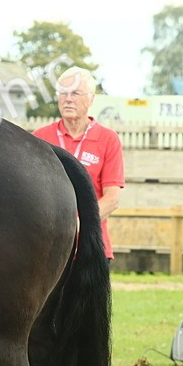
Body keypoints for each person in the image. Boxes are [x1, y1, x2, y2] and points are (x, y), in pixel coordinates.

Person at [31, 66, 125, 262]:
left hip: (90, 248)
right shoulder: (39, 138)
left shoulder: (108, 139)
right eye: (63, 93)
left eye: (75, 93)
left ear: (91, 99)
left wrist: (77, 226)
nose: (68, 99)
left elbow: (112, 199)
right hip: (49, 250)